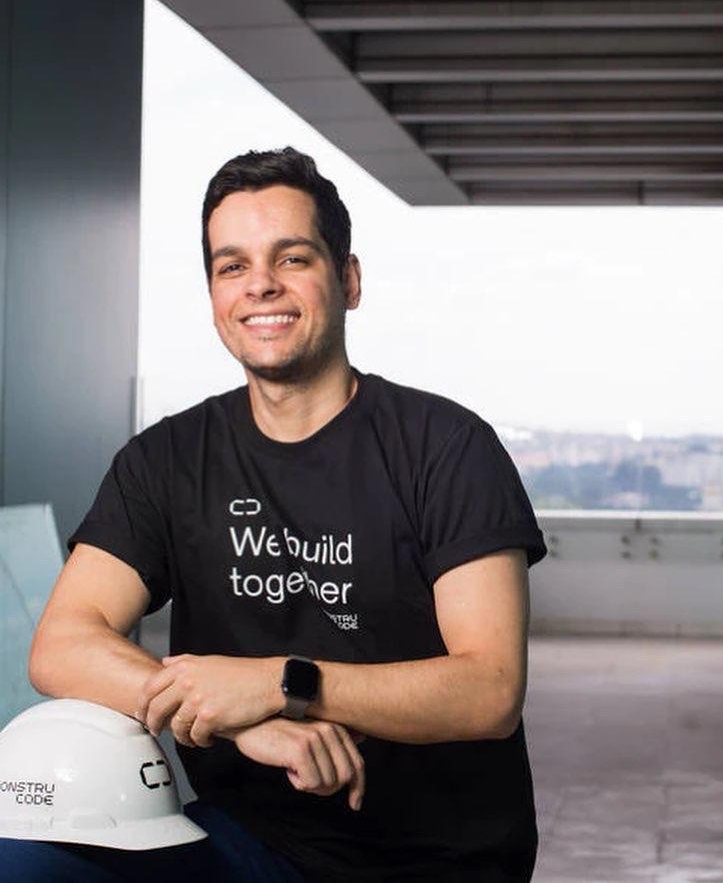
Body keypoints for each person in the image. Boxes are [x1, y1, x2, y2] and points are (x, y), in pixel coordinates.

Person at [21, 147, 547, 882]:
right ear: (214, 293)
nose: (260, 284)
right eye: (231, 266)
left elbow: (489, 689)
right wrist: (241, 720)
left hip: (438, 859)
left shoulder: (446, 447)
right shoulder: (167, 460)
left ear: (348, 280)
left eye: (292, 258)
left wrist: (280, 684)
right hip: (251, 841)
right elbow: (62, 644)